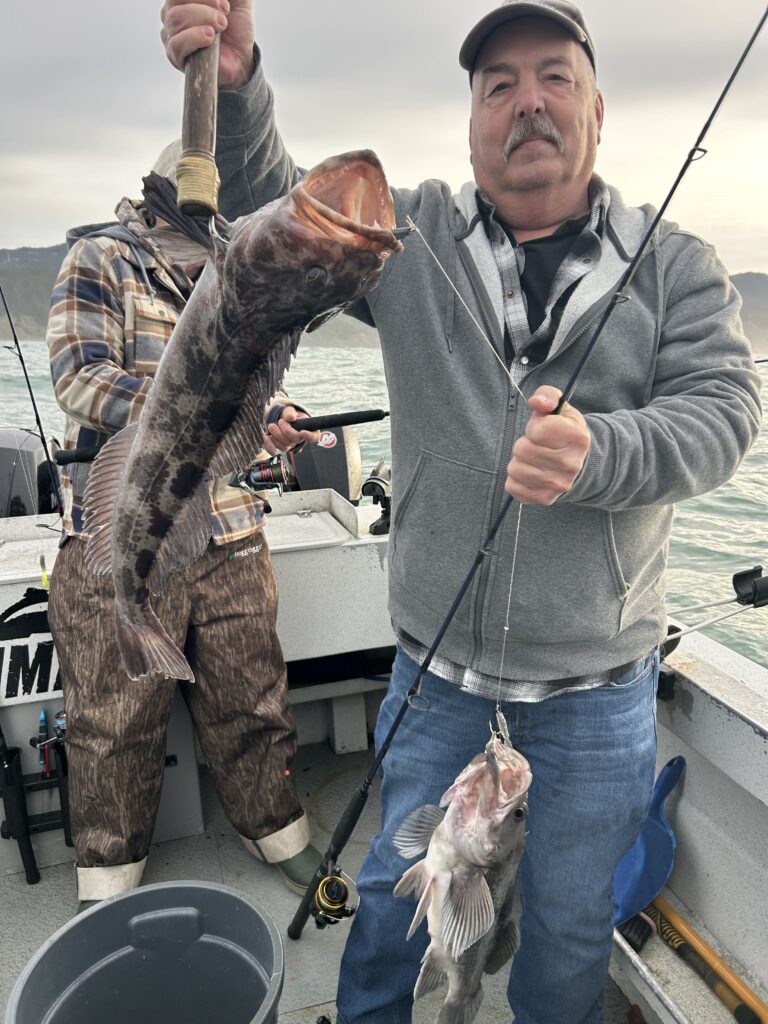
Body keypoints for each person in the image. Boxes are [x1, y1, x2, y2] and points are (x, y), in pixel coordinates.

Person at [161, 2, 762, 1022]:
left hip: (597, 697)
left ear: (598, 110)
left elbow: (725, 414)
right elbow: (286, 221)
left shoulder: (677, 266)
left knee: (570, 933)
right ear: (472, 121)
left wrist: (601, 452)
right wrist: (236, 85)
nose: (528, 102)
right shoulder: (410, 239)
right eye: (499, 85)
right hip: (435, 681)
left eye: (555, 76)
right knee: (394, 917)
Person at [46, 143, 323, 911]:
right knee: (112, 722)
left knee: (252, 698)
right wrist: (189, 403)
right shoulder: (101, 257)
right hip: (125, 533)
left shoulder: (238, 279)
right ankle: (108, 877)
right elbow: (79, 376)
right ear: (160, 192)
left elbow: (246, 396)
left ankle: (278, 832)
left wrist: (271, 418)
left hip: (230, 529)